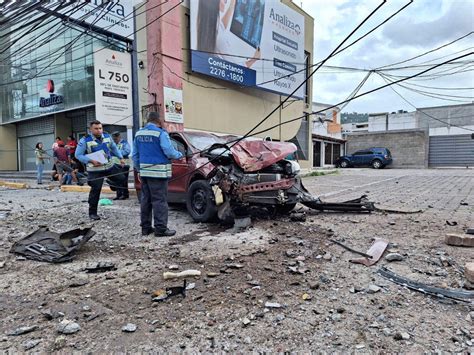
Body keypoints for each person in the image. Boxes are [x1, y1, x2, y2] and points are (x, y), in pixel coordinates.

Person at [132, 112, 183, 237]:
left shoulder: (138, 134)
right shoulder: (161, 133)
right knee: (159, 201)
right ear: (158, 121)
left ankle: (145, 228)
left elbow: (134, 155)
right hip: (159, 174)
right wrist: (180, 155)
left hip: (144, 173)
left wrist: (139, 169)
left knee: (146, 200)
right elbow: (169, 151)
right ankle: (160, 229)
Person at [75, 120, 126, 220]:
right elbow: (78, 155)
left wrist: (121, 158)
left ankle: (110, 182)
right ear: (90, 129)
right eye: (96, 129)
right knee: (95, 190)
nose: (99, 130)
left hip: (109, 166)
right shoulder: (84, 140)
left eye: (100, 128)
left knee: (122, 178)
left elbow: (114, 148)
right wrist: (91, 160)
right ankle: (92, 213)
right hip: (95, 170)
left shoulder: (107, 136)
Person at [111, 131, 131, 200]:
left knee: (124, 180)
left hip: (124, 165)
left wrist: (116, 153)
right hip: (116, 164)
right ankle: (118, 194)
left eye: (116, 139)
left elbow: (127, 151)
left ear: (119, 137)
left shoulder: (124, 143)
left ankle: (125, 194)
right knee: (117, 180)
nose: (115, 140)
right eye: (114, 139)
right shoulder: (114, 144)